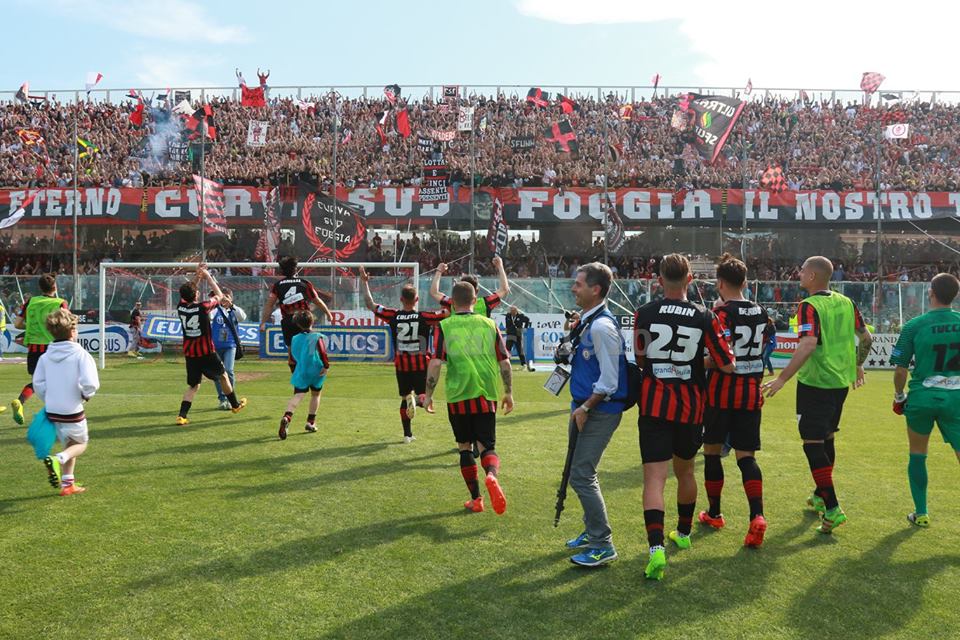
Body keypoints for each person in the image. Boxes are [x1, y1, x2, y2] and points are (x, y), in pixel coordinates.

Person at [634, 253, 734, 580]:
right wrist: (693, 364)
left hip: (653, 406)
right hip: (690, 407)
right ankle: (684, 532)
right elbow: (727, 362)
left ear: (659, 280)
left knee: (654, 479)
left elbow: (639, 359)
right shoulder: (705, 316)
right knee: (686, 471)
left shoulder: (644, 314)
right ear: (690, 279)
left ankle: (655, 549)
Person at [762, 256, 872, 534]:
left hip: (816, 383)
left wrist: (783, 379)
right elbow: (866, 337)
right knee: (827, 438)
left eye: (802, 270)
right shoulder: (846, 302)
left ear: (812, 276)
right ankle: (820, 494)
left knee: (812, 443)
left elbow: (808, 344)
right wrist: (857, 364)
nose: (798, 274)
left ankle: (832, 507)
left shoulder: (808, 306)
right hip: (840, 383)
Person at [423, 282, 514, 515]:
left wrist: (429, 395)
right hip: (486, 394)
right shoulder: (490, 324)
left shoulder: (445, 325)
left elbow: (435, 363)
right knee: (487, 446)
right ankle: (491, 476)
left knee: (464, 447)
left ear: (452, 303)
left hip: (458, 396)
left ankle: (476, 499)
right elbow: (505, 361)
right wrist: (508, 392)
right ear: (475, 301)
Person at [562, 263, 630, 567]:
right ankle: (593, 532)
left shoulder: (602, 327)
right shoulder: (590, 322)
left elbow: (610, 380)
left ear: (596, 289)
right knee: (582, 471)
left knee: (581, 473)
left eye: (578, 284)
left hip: (598, 410)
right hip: (585, 407)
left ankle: (603, 543)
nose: (574, 288)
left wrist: (587, 407)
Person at [700, 254, 769, 547]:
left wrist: (694, 362)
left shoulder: (722, 314)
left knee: (712, 453)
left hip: (722, 393)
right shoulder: (762, 312)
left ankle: (715, 513)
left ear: (720, 283)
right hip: (751, 393)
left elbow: (720, 358)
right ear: (743, 282)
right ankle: (757, 516)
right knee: (747, 457)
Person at [889, 273, 960, 527]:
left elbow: (900, 370)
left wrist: (899, 397)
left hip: (922, 397)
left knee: (918, 454)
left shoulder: (914, 325)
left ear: (930, 292)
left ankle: (921, 513)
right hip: (956, 398)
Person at [359, 267, 447, 443]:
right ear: (417, 299)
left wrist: (364, 281)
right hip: (421, 364)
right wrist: (439, 274)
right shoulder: (425, 317)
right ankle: (419, 399)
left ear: (401, 299)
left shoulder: (393, 315)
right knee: (425, 396)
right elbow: (447, 312)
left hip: (401, 364)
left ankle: (407, 434)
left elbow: (370, 304)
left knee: (404, 396)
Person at [34, 308, 100, 496]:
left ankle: (67, 484)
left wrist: (50, 398)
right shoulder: (81, 354)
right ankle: (58, 459)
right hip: (72, 409)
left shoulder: (45, 356)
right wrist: (85, 395)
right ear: (72, 332)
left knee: (70, 443)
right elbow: (91, 383)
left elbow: (38, 384)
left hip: (52, 409)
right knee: (80, 444)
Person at [175, 265, 247, 425]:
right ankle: (235, 405)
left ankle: (182, 415)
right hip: (207, 352)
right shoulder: (203, 307)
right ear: (195, 295)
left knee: (193, 386)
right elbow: (220, 296)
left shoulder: (180, 307)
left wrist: (197, 276)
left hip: (190, 354)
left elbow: (189, 291)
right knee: (223, 376)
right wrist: (207, 276)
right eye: (197, 291)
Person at [10, 274, 67, 424]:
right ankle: (57, 414)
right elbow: (67, 324)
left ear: (40, 288)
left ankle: (20, 402)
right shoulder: (61, 303)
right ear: (55, 287)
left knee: (38, 382)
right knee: (58, 380)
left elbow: (17, 324)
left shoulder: (30, 302)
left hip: (34, 348)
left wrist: (33, 326)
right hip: (53, 347)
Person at [260, 255, 332, 373]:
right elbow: (316, 300)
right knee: (309, 346)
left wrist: (263, 322)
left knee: (291, 351)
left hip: (288, 320)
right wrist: (328, 313)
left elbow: (269, 304)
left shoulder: (278, 285)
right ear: (295, 269)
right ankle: (312, 371)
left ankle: (296, 376)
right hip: (302, 318)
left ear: (282, 270)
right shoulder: (304, 283)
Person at [278, 310, 330, 440]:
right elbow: (322, 351)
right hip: (316, 368)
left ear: (298, 324)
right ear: (312, 321)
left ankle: (287, 417)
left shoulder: (295, 338)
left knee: (298, 395)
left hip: (302, 369)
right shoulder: (317, 336)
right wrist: (326, 365)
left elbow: (293, 356)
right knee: (316, 394)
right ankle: (310, 422)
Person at [429, 255, 510, 318]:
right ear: (477, 290)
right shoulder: (485, 303)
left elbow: (434, 293)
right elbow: (504, 289)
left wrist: (439, 271)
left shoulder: (452, 303)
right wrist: (500, 266)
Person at [211, 289, 247, 410]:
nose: (224, 299)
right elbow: (207, 316)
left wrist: (231, 305)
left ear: (231, 298)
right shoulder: (215, 310)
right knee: (217, 373)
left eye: (227, 297)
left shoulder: (234, 310)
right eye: (223, 297)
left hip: (230, 345)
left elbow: (242, 317)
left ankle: (230, 398)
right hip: (215, 346)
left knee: (228, 370)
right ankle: (222, 399)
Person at [504, 306, 534, 371]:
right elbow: (506, 322)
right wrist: (506, 328)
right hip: (510, 334)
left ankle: (523, 364)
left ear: (516, 311)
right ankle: (507, 363)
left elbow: (527, 320)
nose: (512, 312)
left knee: (520, 350)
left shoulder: (520, 316)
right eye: (511, 311)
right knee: (507, 349)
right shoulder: (508, 316)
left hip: (518, 335)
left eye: (513, 311)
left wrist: (524, 328)